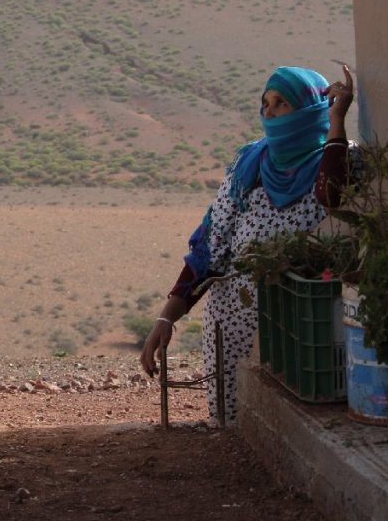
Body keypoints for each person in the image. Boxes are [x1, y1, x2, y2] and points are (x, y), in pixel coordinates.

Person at [140, 64, 355, 424]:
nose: (269, 113)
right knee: (233, 428)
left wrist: (336, 122)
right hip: (234, 323)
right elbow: (209, 249)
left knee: (296, 421)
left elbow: (332, 195)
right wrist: (167, 317)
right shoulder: (249, 163)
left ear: (312, 108)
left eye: (281, 103)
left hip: (303, 322)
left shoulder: (340, 156)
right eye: (265, 103)